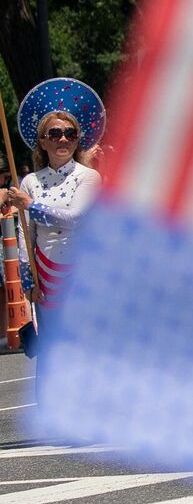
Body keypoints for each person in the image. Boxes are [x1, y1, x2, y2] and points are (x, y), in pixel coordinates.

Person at [1, 78, 106, 349]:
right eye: (55, 133)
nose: (63, 138)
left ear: (77, 140)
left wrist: (30, 205)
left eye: (70, 133)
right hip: (44, 280)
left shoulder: (89, 177)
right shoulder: (30, 183)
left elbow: (74, 218)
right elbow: (27, 238)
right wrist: (27, 282)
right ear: (43, 142)